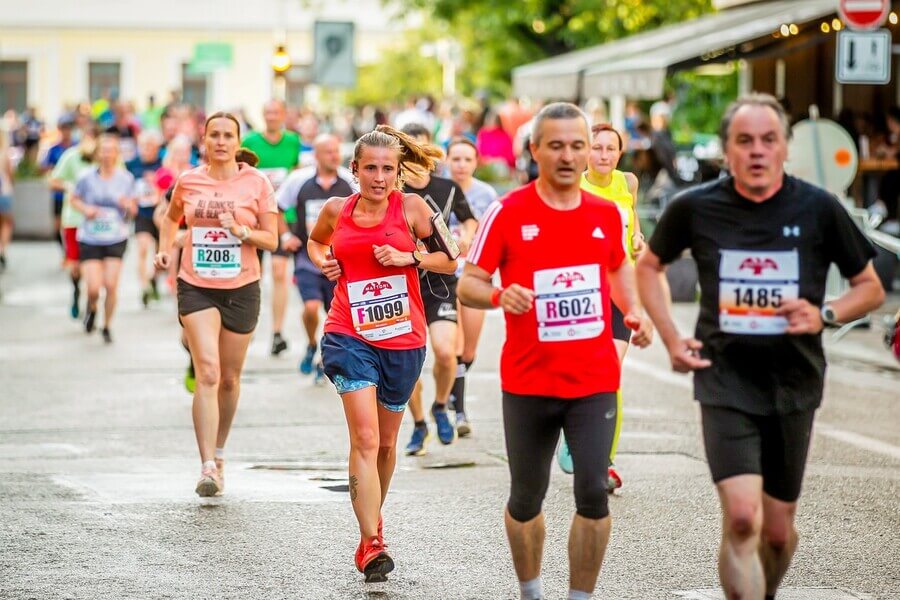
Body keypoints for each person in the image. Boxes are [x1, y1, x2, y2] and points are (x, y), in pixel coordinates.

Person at [636, 94, 885, 600]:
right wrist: (670, 336)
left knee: (776, 531)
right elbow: (648, 266)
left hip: (794, 382)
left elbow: (871, 287)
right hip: (723, 377)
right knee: (744, 519)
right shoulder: (696, 206)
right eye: (744, 141)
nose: (756, 151)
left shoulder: (817, 207)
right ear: (726, 150)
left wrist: (825, 313)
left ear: (785, 149)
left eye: (768, 140)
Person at [458, 102, 652, 600]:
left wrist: (635, 312)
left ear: (590, 152)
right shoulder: (509, 210)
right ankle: (531, 591)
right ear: (536, 150)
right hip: (528, 381)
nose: (568, 156)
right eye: (557, 145)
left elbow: (618, 268)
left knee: (592, 493)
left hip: (593, 379)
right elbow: (470, 285)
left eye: (578, 145)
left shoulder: (607, 214)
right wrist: (501, 296)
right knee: (526, 499)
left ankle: (580, 597)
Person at [306, 125, 456, 581]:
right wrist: (322, 260)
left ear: (398, 172)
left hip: (403, 338)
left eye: (387, 169)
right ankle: (371, 542)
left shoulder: (412, 208)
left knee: (387, 444)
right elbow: (316, 242)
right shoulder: (337, 210)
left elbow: (449, 259)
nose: (378, 177)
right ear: (354, 169)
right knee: (366, 439)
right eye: (369, 168)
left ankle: (372, 522)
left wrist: (409, 257)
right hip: (348, 333)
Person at [154, 111, 278, 497]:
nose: (221, 141)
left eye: (228, 135)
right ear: (204, 141)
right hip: (197, 285)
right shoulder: (189, 181)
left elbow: (271, 240)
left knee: (228, 378)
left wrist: (241, 231)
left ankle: (220, 451)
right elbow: (170, 219)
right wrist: (163, 250)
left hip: (242, 286)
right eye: (214, 135)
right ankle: (207, 465)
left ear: (237, 141)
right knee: (207, 372)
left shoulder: (257, 183)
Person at [557, 123, 646, 492]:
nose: (604, 155)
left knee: (611, 373)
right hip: (584, 292)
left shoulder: (628, 183)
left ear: (620, 154)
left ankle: (602, 461)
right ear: (585, 152)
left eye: (611, 148)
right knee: (580, 371)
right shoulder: (574, 186)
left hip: (619, 291)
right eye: (597, 148)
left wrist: (637, 237)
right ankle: (573, 429)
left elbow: (631, 221)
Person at [399, 123, 478, 455]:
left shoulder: (447, 187)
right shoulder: (392, 190)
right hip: (401, 284)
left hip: (441, 281)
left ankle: (441, 405)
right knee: (408, 364)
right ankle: (419, 423)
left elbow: (469, 219)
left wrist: (467, 236)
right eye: (409, 149)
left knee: (446, 352)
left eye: (422, 147)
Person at [276, 133, 355, 382]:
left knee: (334, 314)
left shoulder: (350, 182)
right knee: (310, 308)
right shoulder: (298, 180)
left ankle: (324, 356)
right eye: (329, 152)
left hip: (339, 262)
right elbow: (276, 208)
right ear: (316, 156)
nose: (335, 156)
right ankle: (311, 343)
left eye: (337, 151)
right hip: (307, 258)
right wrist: (286, 236)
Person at [444, 137, 498, 435]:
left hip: (476, 275)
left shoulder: (486, 194)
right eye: (456, 159)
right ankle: (459, 410)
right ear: (447, 161)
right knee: (455, 342)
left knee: (469, 350)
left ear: (476, 162)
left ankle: (455, 384)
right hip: (447, 277)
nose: (461, 165)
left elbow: (496, 235)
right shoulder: (439, 190)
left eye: (467, 159)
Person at [241, 99, 302, 356]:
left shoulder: (293, 142)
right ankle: (247, 325)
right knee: (252, 272)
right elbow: (242, 174)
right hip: (256, 216)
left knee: (279, 272)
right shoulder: (251, 142)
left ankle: (277, 332)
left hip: (283, 215)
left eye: (276, 113)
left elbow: (298, 173)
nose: (272, 117)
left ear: (283, 115)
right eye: (267, 113)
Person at [70, 134, 137, 343]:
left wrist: (127, 206)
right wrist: (86, 209)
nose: (107, 155)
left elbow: (133, 210)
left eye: (111, 150)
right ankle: (91, 308)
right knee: (92, 287)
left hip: (116, 236)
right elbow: (73, 199)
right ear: (97, 153)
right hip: (90, 237)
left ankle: (107, 325)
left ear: (117, 154)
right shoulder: (85, 177)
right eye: (103, 150)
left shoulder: (126, 178)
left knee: (110, 285)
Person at [50, 132, 98, 318]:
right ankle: (77, 290)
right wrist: (70, 187)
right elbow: (53, 181)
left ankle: (90, 302)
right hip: (74, 219)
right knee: (76, 266)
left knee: (92, 266)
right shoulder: (71, 156)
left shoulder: (105, 157)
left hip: (97, 222)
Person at [126, 129, 164, 307]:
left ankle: (153, 279)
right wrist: (129, 202)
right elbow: (124, 185)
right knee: (142, 248)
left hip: (161, 213)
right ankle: (144, 287)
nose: (146, 149)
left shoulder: (163, 163)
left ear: (157, 147)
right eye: (143, 145)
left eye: (150, 145)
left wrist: (157, 181)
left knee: (160, 255)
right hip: (141, 213)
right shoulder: (131, 165)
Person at [43, 113, 77, 252]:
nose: (66, 131)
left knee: (72, 224)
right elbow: (46, 168)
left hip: (74, 193)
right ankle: (65, 251)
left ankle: (72, 253)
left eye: (68, 128)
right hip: (59, 193)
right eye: (64, 128)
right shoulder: (53, 149)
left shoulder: (78, 146)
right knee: (58, 226)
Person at [0, 125, 14, 270]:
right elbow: (10, 174)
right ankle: (2, 249)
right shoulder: (5, 153)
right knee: (6, 223)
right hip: (4, 192)